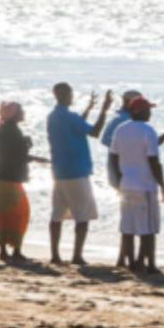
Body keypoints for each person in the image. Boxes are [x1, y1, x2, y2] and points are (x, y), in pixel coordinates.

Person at [102, 89, 164, 266]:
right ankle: (148, 264)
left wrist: (120, 176)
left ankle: (130, 261)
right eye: (148, 110)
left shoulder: (121, 129)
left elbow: (113, 155)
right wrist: (163, 185)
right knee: (148, 229)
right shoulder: (148, 130)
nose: (150, 113)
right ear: (141, 112)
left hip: (126, 185)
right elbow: (153, 160)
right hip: (145, 185)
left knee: (128, 228)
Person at [46, 83, 112, 266]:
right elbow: (95, 132)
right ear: (66, 95)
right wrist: (104, 110)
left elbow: (77, 125)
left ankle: (55, 255)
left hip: (59, 172)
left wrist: (90, 108)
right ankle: (77, 255)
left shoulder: (53, 117)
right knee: (82, 217)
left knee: (56, 215)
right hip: (76, 172)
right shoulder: (69, 117)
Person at [0, 102, 47, 262]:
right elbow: (18, 155)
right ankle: (15, 249)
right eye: (21, 110)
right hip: (8, 177)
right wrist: (37, 158)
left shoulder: (3, 127)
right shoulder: (11, 130)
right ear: (14, 114)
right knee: (19, 213)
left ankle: (4, 249)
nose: (24, 112)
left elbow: (12, 153)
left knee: (4, 214)